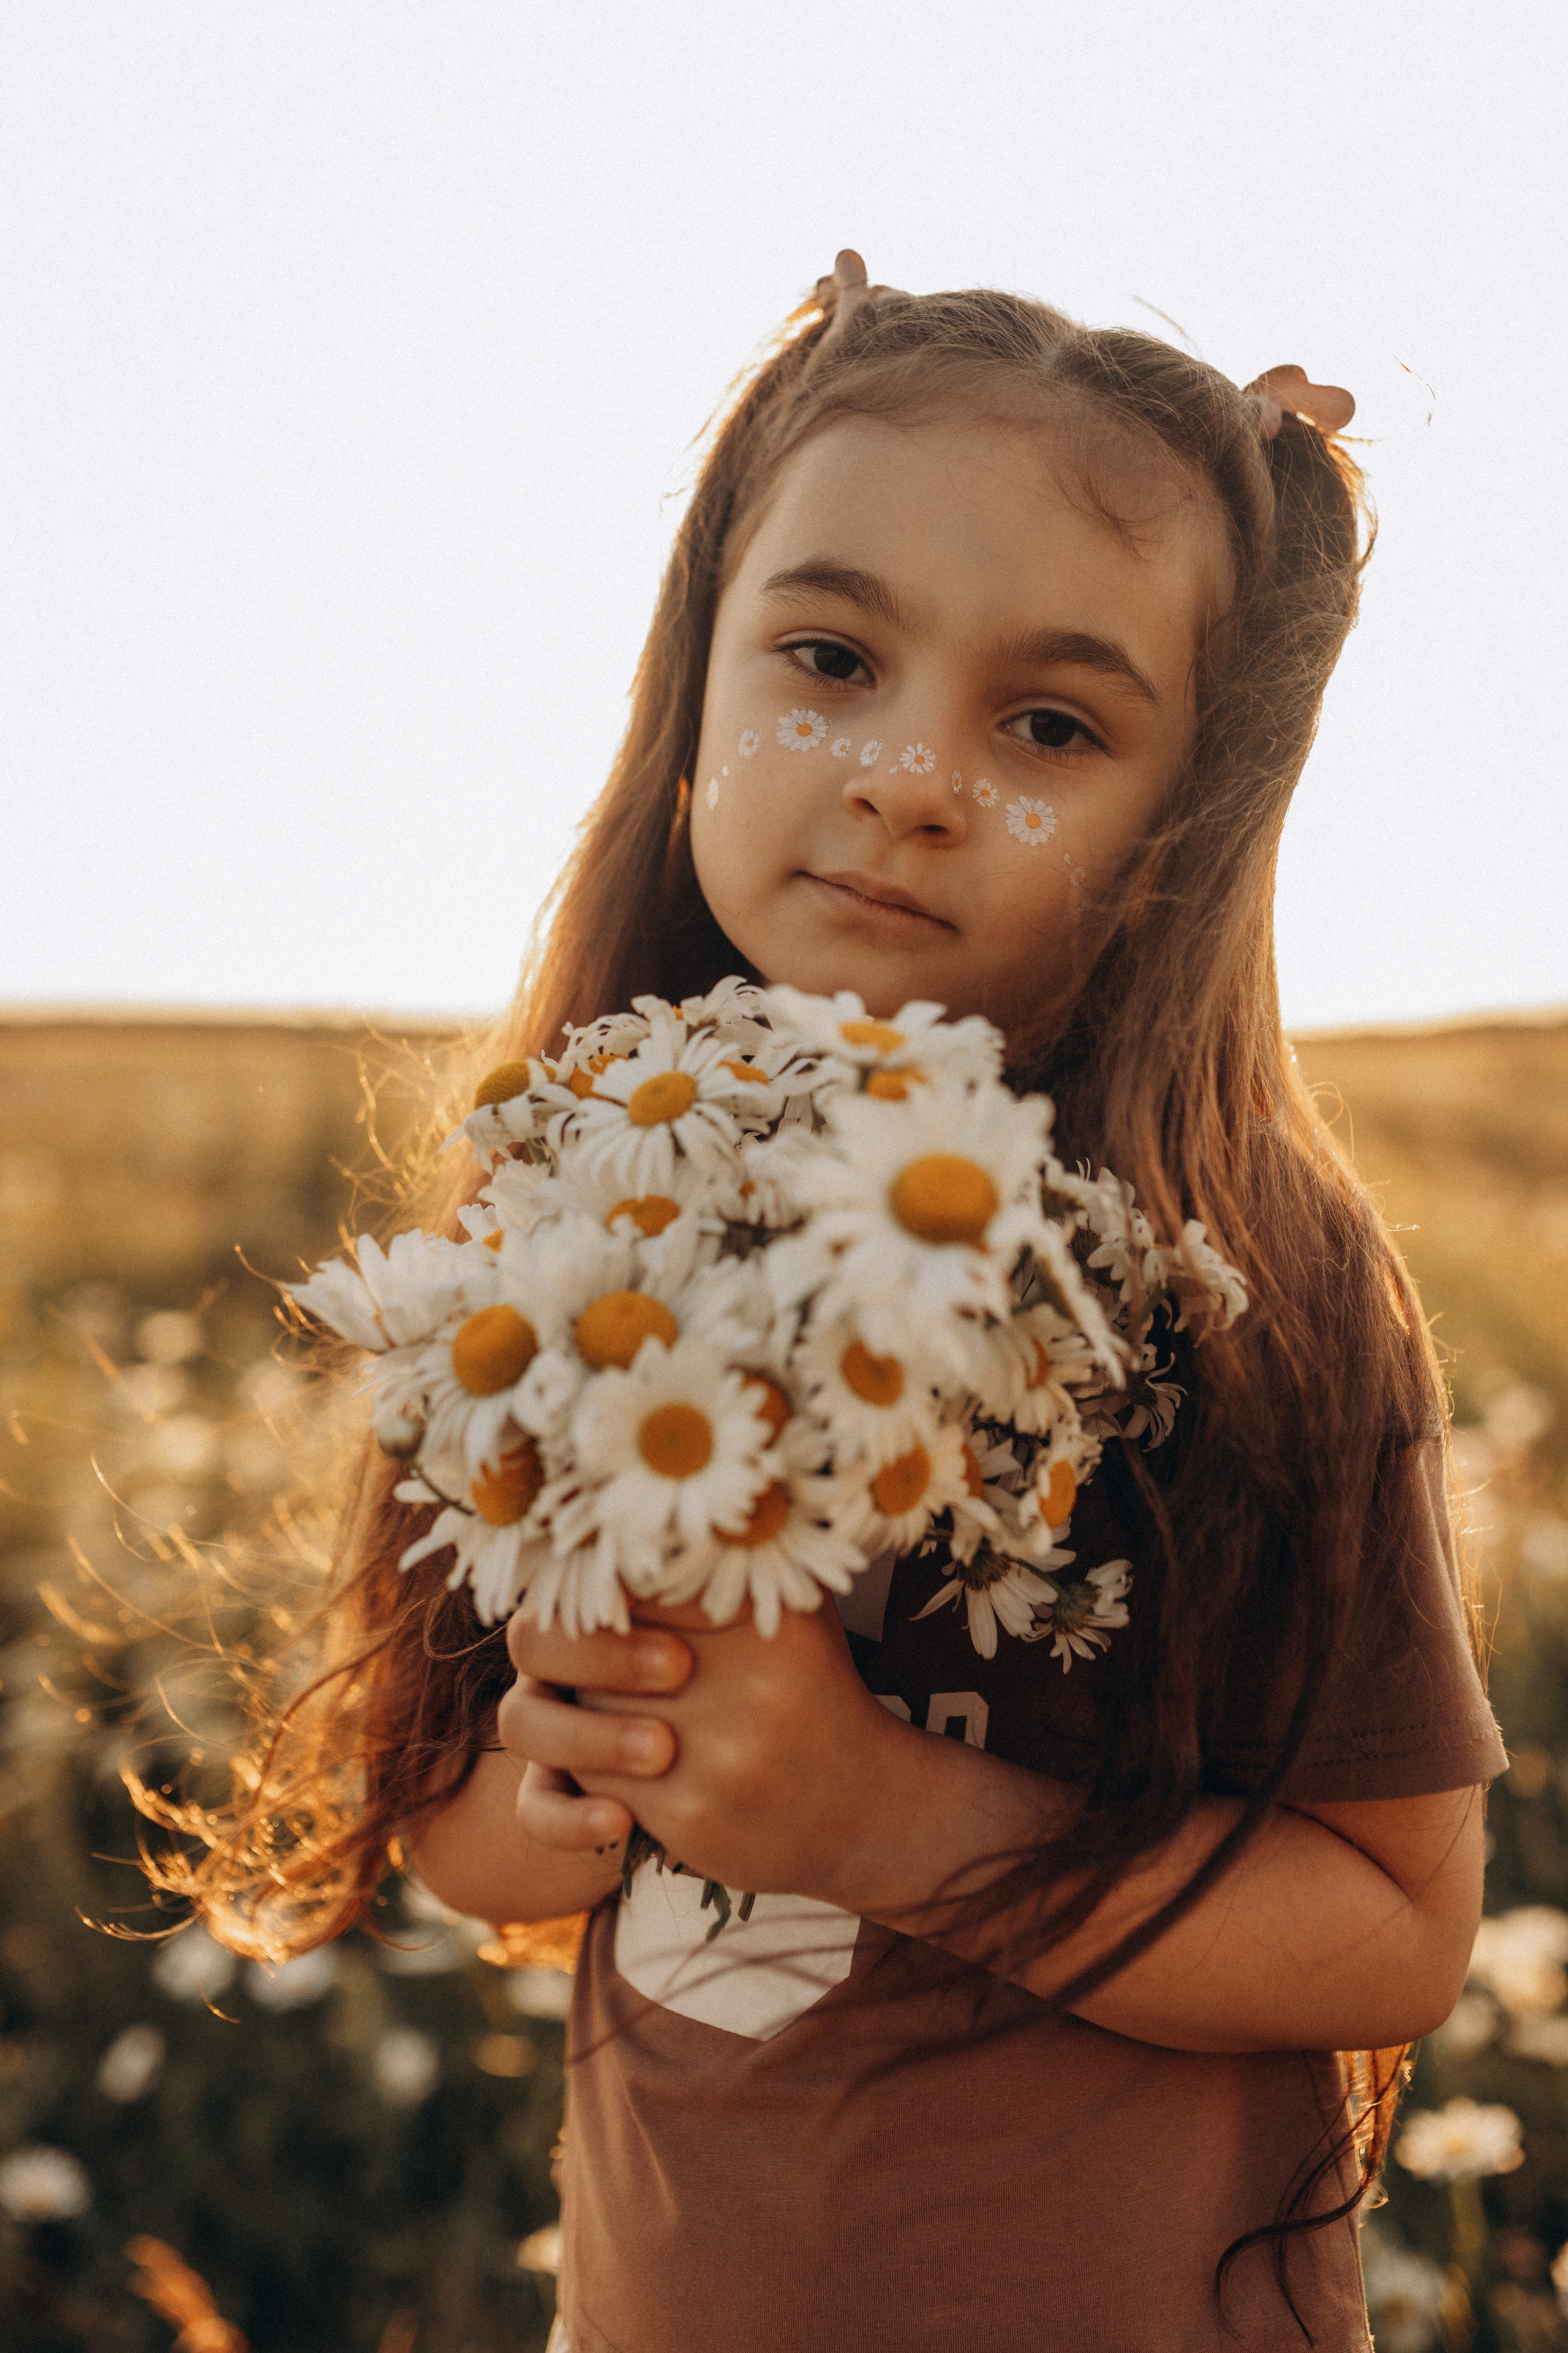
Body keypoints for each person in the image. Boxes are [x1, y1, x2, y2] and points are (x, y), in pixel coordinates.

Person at [149, 254, 1506, 2352]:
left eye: (1049, 722)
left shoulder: (1253, 1279)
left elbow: (1397, 1931)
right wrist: (596, 1752)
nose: (907, 772)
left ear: (1186, 818)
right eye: (828, 655)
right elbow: (463, 1836)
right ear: (695, 685)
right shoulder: (563, 1212)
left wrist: (872, 1809)